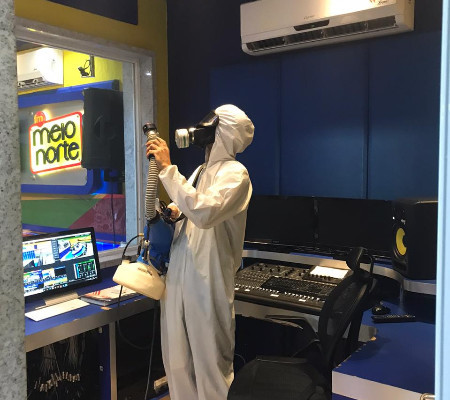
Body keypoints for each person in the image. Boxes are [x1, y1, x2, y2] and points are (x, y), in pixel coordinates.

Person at [146, 104, 254, 400]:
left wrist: (168, 170)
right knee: (178, 363)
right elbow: (188, 205)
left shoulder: (236, 175)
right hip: (180, 275)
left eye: (211, 123)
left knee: (211, 366)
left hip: (208, 281)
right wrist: (171, 211)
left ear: (225, 132)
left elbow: (204, 212)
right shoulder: (200, 171)